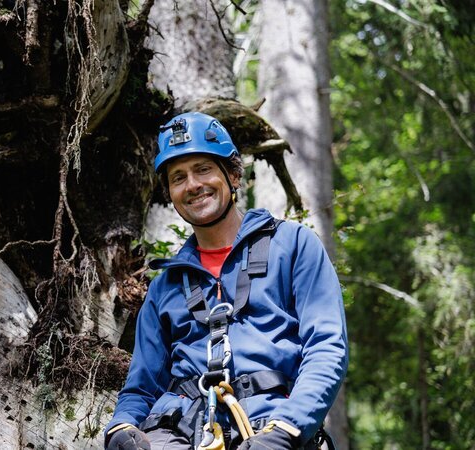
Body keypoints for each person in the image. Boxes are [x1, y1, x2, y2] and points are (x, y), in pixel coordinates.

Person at [104, 112, 348, 450]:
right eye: (178, 177)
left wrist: (288, 429)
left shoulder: (292, 246)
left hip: (271, 428)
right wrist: (120, 427)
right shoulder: (165, 287)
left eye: (203, 169)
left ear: (233, 175)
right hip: (176, 434)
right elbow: (142, 387)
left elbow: (326, 347)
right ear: (170, 193)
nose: (192, 185)